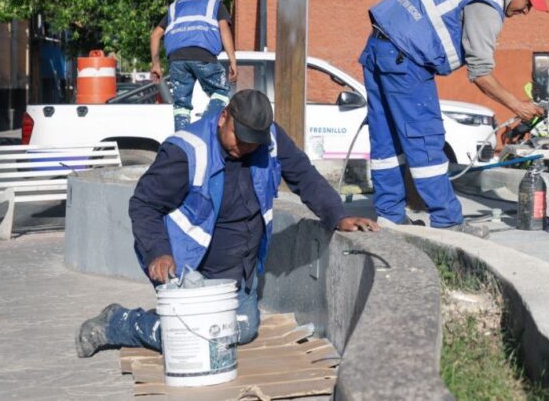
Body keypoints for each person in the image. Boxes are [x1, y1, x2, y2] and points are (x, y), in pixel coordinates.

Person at [75, 89, 378, 358]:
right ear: (223, 117)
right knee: (189, 340)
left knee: (241, 330)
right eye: (239, 137)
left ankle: (181, 322)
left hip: (236, 272)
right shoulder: (186, 151)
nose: (244, 147)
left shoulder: (270, 140)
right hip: (188, 267)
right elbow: (144, 204)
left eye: (252, 142)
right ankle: (117, 322)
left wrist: (337, 215)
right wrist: (157, 251)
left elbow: (304, 175)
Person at [360, 0, 549, 235]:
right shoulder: (486, 3)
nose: (525, 11)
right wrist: (517, 105)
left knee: (387, 138)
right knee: (425, 138)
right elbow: (481, 73)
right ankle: (447, 220)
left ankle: (389, 215)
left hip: (379, 47)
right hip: (407, 60)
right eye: (528, 2)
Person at [150, 0, 238, 131]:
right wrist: (232, 60)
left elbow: (155, 35)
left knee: (181, 105)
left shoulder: (176, 7)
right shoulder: (215, 4)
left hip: (176, 59)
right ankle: (204, 127)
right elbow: (224, 30)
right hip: (203, 54)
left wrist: (156, 65)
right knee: (221, 91)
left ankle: (182, 138)